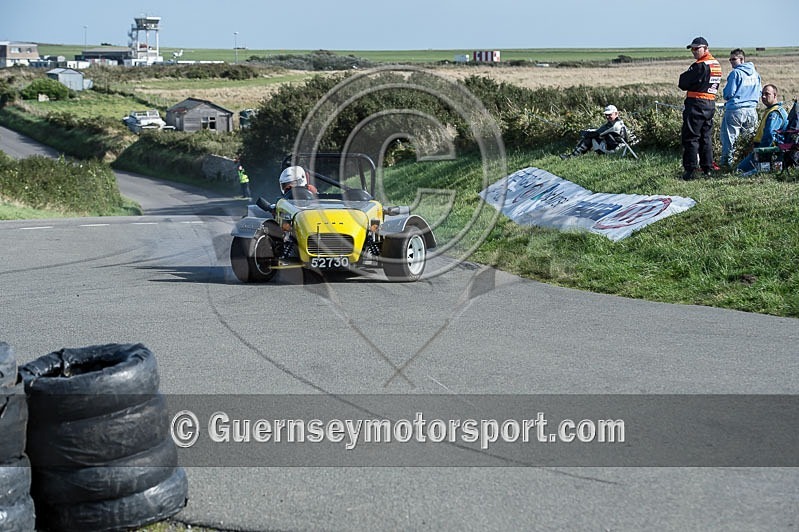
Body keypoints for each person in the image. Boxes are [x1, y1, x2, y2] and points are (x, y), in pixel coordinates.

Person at [678, 37, 723, 180]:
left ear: (706, 48)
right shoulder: (716, 64)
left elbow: (683, 82)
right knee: (706, 137)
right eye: (692, 49)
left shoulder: (700, 65)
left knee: (691, 137)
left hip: (696, 103)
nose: (693, 52)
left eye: (696, 49)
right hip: (710, 104)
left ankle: (690, 170)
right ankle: (707, 168)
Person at [720, 49, 761, 168]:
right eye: (730, 59)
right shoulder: (755, 74)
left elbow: (728, 93)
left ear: (742, 59)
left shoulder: (735, 73)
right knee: (748, 140)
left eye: (734, 59)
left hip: (735, 110)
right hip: (752, 110)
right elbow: (759, 92)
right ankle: (747, 163)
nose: (731, 62)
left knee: (729, 139)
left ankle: (727, 165)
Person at [736, 84, 789, 174]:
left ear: (775, 95)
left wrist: (761, 152)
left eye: (767, 94)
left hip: (768, 150)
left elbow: (769, 135)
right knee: (740, 169)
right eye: (762, 94)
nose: (763, 97)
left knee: (741, 171)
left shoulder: (775, 113)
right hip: (761, 149)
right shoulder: (770, 110)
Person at [560, 105, 626, 159]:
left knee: (589, 138)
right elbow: (599, 131)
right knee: (591, 135)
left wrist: (584, 133)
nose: (607, 117)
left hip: (615, 150)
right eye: (606, 115)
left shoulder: (614, 125)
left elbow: (596, 133)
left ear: (616, 113)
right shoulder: (617, 123)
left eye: (610, 114)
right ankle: (574, 155)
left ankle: (572, 156)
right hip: (616, 147)